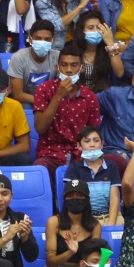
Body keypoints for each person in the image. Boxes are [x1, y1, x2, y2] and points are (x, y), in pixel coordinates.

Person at [33, 44, 103, 172]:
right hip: (50, 154)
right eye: (64, 65)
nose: (69, 70)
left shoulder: (90, 97)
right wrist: (58, 96)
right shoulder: (44, 89)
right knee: (39, 168)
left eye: (74, 65)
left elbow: (92, 133)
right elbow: (40, 128)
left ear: (82, 68)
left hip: (80, 155)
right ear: (57, 68)